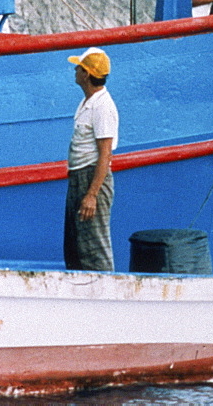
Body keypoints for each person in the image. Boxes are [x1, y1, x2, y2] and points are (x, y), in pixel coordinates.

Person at [64, 47, 118, 272]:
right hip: (79, 175)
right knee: (76, 247)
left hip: (91, 177)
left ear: (86, 74)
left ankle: (106, 300)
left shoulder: (102, 106)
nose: (75, 70)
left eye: (79, 67)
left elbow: (105, 154)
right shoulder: (89, 101)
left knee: (95, 249)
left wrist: (91, 195)